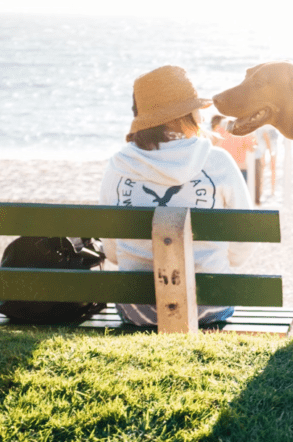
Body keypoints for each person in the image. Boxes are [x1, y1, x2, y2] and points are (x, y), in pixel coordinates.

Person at [99, 65, 254, 327]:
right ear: (190, 114)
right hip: (210, 303)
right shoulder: (217, 161)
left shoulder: (118, 165)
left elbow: (112, 253)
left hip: (138, 308)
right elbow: (243, 245)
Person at [212, 114, 256, 181]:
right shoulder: (243, 132)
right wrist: (253, 137)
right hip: (240, 169)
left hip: (224, 170)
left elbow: (214, 147)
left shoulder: (220, 131)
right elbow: (252, 149)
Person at [254, 124, 279, 203]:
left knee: (269, 167)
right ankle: (268, 190)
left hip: (266, 139)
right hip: (264, 139)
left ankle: (270, 190)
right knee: (266, 167)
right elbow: (265, 134)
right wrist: (271, 150)